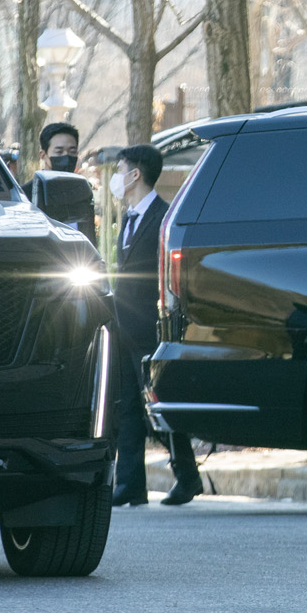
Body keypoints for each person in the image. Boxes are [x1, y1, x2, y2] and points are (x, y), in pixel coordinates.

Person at [110, 144, 203, 507]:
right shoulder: (128, 218)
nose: (117, 177)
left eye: (120, 170)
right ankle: (130, 484)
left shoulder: (164, 219)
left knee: (159, 405)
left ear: (135, 174)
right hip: (123, 326)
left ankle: (188, 476)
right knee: (128, 407)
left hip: (150, 327)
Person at [23, 121, 97, 242]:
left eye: (72, 152)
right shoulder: (25, 194)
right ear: (43, 155)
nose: (66, 157)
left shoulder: (83, 192)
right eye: (59, 152)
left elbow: (89, 236)